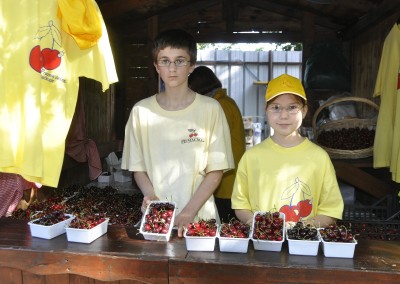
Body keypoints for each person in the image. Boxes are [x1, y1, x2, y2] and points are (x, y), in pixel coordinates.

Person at [121, 29, 234, 237]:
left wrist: (189, 212)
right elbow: (138, 169)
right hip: (158, 221)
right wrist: (150, 197)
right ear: (156, 66)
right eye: (165, 61)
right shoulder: (141, 112)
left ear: (192, 65)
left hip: (200, 221)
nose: (172, 68)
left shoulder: (211, 109)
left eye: (180, 61)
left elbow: (216, 171)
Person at [231, 74, 344, 228]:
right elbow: (240, 204)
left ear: (304, 111)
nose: (284, 115)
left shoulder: (319, 157)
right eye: (276, 107)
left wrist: (299, 229)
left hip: (304, 245)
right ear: (266, 111)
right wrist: (257, 224)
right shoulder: (251, 157)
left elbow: (331, 209)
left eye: (292, 107)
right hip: (263, 244)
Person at [188, 66, 246, 222]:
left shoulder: (220, 106)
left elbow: (212, 142)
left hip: (227, 181)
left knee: (228, 229)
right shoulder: (222, 102)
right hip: (225, 179)